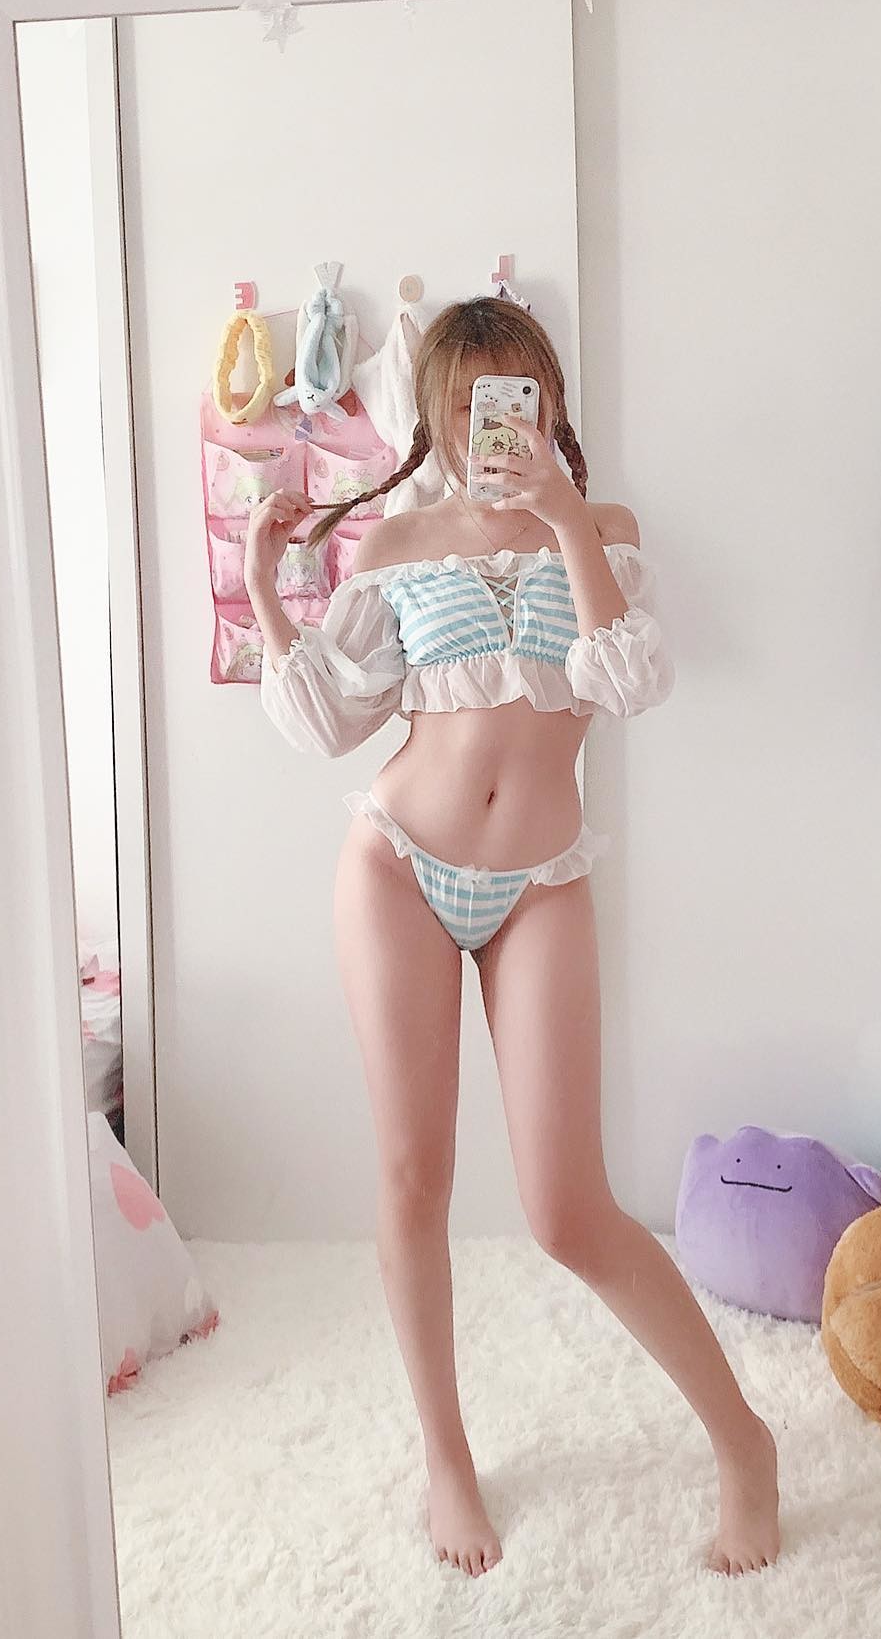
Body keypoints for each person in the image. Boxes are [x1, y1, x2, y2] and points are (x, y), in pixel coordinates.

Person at [246, 297, 780, 1578]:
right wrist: (267, 589)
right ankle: (446, 1456)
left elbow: (630, 680)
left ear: (547, 403)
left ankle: (745, 1441)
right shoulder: (396, 543)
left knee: (567, 1207)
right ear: (435, 416)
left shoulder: (604, 532)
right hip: (397, 865)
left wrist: (562, 520)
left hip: (538, 882)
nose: (493, 424)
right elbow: (329, 722)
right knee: (412, 1175)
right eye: (468, 400)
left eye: (517, 395)